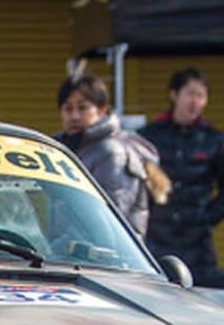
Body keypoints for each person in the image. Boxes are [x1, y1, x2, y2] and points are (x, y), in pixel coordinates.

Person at [142, 68, 224, 278]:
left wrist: (207, 218)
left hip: (197, 243)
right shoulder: (150, 136)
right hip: (156, 237)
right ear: (174, 95)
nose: (195, 101)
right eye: (190, 94)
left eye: (201, 96)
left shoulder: (214, 140)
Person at [56, 74, 167, 236]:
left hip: (102, 250)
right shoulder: (62, 149)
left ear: (102, 110)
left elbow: (109, 223)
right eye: (68, 108)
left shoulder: (112, 153)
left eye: (82, 108)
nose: (74, 116)